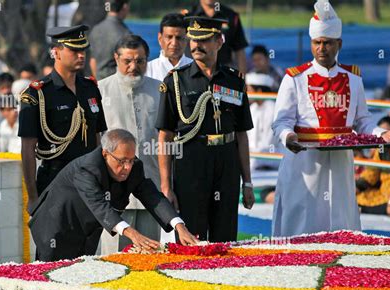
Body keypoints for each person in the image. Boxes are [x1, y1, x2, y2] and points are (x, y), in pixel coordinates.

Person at [271, 0, 390, 237]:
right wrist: (288, 137)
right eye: (317, 43)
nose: (321, 48)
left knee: (340, 223)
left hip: (341, 163)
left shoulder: (353, 78)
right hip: (304, 161)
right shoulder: (294, 78)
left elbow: (363, 121)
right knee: (300, 225)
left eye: (327, 43)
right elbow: (281, 121)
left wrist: (383, 134)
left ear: (338, 43)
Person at [29, 129, 198, 261]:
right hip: (56, 228)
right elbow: (99, 205)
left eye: (131, 160)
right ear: (105, 154)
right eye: (122, 161)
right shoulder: (87, 169)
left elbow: (152, 196)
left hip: (87, 230)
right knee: (52, 284)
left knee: (80, 281)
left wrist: (178, 225)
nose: (127, 167)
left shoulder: (134, 167)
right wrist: (133, 234)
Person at [156, 16, 255, 242]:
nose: (196, 45)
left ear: (219, 42)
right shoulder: (175, 82)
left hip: (227, 161)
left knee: (225, 233)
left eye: (204, 40)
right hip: (192, 160)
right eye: (193, 39)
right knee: (192, 232)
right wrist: (165, 185)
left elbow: (242, 134)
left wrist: (247, 181)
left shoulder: (234, 81)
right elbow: (165, 136)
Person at [18, 24, 107, 213]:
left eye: (82, 49)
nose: (81, 55)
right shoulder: (37, 94)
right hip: (54, 178)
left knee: (89, 241)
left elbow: (97, 137)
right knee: (55, 240)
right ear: (56, 53)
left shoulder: (90, 88)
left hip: (89, 179)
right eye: (74, 50)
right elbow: (28, 148)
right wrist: (33, 197)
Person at [98, 35, 166, 253]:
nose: (133, 66)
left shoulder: (161, 91)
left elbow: (169, 139)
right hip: (114, 189)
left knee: (149, 254)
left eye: (140, 61)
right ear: (116, 58)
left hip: (150, 185)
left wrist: (167, 183)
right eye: (127, 60)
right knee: (115, 258)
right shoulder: (100, 91)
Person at [183, 0, 249, 73]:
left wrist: (242, 79)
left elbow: (239, 49)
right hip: (193, 72)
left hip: (223, 73)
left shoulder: (231, 16)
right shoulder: (187, 15)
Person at [357, 117, 390, 217]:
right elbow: (371, 173)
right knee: (355, 199)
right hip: (382, 193)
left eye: (388, 132)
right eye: (382, 134)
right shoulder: (381, 150)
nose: (386, 137)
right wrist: (356, 187)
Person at [88, 0, 131, 80]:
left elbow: (92, 61)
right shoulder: (125, 33)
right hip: (117, 82)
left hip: (99, 82)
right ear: (124, 7)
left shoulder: (96, 29)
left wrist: (100, 83)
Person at [245, 72, 279, 171]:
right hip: (254, 156)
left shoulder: (272, 109)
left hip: (270, 158)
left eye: (249, 89)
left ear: (259, 91)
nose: (247, 93)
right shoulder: (253, 108)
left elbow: (268, 143)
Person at [146, 13, 193, 82]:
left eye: (179, 38)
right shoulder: (147, 70)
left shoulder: (195, 69)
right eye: (169, 37)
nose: (174, 43)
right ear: (160, 38)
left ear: (187, 39)